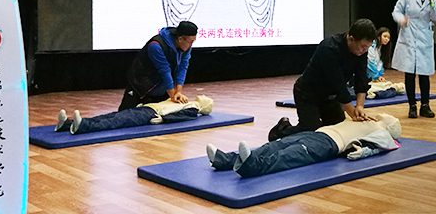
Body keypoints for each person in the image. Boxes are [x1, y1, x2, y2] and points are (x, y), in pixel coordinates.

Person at [267, 19, 377, 141]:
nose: (364, 50)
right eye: (363, 47)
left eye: (367, 47)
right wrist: (353, 114)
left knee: (338, 128)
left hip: (330, 97)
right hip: (308, 93)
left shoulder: (361, 52)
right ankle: (281, 129)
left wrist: (360, 106)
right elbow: (338, 84)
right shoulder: (329, 48)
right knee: (309, 129)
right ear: (351, 39)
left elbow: (361, 78)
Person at [207, 114, 401, 178]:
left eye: (387, 117)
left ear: (390, 124)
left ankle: (252, 167)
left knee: (286, 156)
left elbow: (382, 145)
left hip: (328, 144)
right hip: (316, 133)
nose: (383, 114)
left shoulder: (382, 130)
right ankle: (226, 160)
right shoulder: (363, 117)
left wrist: (362, 151)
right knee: (274, 146)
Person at [392, 0, 436, 119]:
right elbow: (396, 11)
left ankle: (425, 106)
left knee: (424, 74)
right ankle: (412, 106)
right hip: (409, 36)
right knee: (409, 74)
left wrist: (432, 2)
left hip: (424, 39)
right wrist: (402, 20)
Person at [118, 21, 198, 111]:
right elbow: (164, 70)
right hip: (141, 85)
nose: (191, 45)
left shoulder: (185, 47)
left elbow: (182, 68)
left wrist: (178, 92)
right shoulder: (156, 46)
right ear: (180, 39)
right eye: (191, 42)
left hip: (161, 87)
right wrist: (173, 96)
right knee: (125, 113)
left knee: (157, 115)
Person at [55, 95, 213, 134]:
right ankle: (68, 124)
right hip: (145, 108)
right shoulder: (185, 100)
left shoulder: (193, 108)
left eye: (206, 98)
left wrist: (163, 119)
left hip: (150, 114)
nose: (203, 96)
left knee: (116, 121)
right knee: (111, 116)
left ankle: (83, 126)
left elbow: (182, 116)